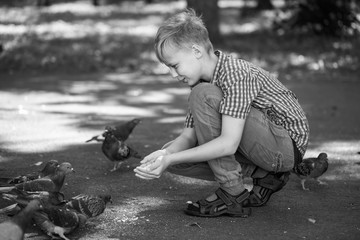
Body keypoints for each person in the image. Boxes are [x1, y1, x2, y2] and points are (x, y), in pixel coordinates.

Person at [134, 9, 309, 218]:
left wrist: (170, 159)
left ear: (196, 51)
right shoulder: (202, 84)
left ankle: (233, 193)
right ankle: (265, 175)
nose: (172, 74)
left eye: (174, 65)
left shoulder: (234, 75)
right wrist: (166, 157)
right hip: (262, 146)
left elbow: (229, 143)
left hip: (284, 146)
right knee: (174, 154)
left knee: (202, 98)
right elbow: (188, 137)